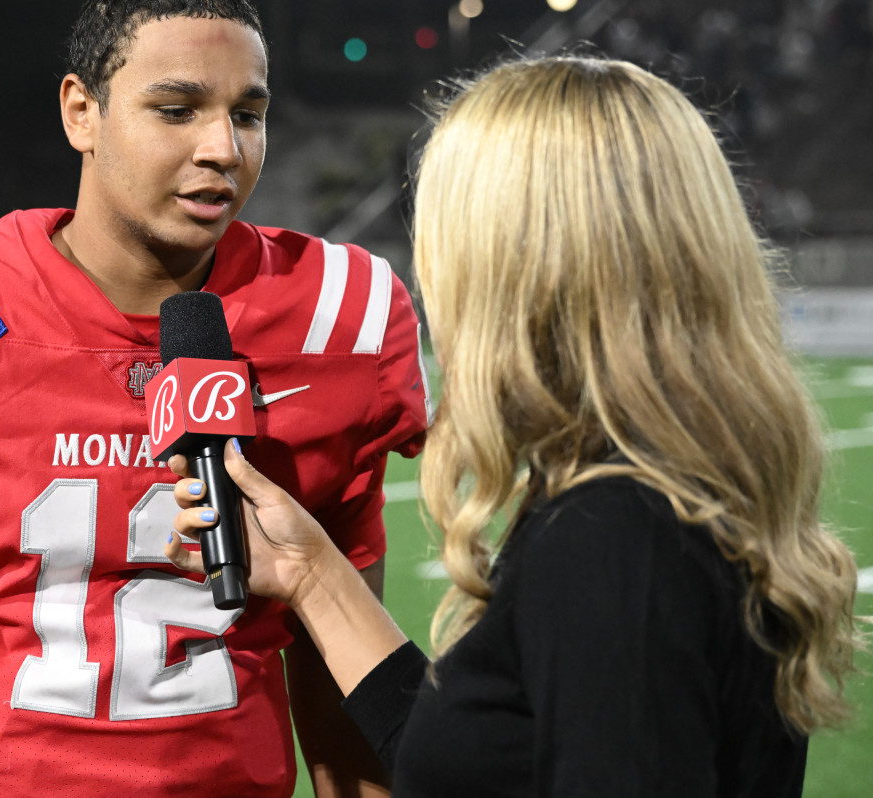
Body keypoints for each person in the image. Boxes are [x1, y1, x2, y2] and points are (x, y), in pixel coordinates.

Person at [0, 0, 429, 797]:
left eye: (249, 114)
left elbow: (346, 704)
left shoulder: (335, 317)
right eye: (177, 109)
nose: (222, 149)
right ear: (81, 112)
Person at [166, 56, 863, 796]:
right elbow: (482, 767)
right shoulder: (650, 491)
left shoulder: (618, 534)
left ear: (516, 267)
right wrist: (311, 573)